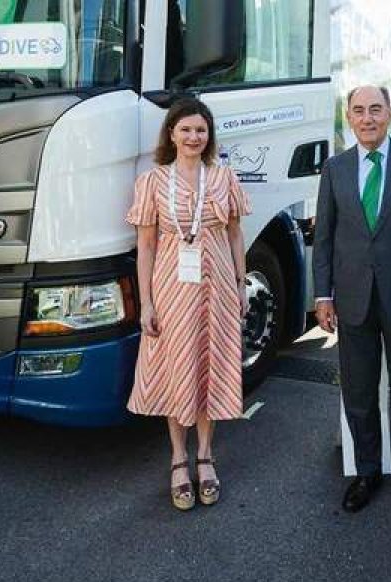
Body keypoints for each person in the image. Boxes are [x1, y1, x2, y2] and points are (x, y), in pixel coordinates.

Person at [313, 85, 391, 518]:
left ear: (390, 114)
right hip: (351, 300)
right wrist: (322, 295)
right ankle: (366, 471)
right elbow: (325, 237)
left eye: (376, 110)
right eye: (359, 111)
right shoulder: (335, 168)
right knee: (360, 392)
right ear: (349, 117)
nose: (368, 118)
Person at [125, 98, 252, 512]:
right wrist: (145, 303)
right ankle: (179, 457)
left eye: (201, 130)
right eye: (186, 130)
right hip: (171, 290)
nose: (194, 137)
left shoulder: (224, 177)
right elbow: (145, 246)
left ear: (208, 135)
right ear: (172, 135)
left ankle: (206, 455)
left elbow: (235, 235)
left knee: (208, 366)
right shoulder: (152, 182)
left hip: (216, 290)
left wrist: (240, 284)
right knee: (177, 367)